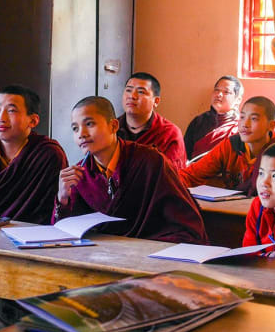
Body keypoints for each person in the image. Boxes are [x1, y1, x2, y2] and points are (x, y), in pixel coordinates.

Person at [55, 96, 207, 244]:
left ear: (113, 126)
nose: (81, 134)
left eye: (89, 124)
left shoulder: (150, 161)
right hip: (101, 253)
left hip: (148, 250)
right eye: (75, 128)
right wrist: (63, 198)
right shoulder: (81, 173)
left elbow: (185, 222)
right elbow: (65, 233)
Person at [0, 85, 67, 224]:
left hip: (33, 237)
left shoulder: (48, 155)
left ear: (33, 120)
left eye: (11, 110)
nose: (1, 118)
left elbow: (52, 209)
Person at [180, 96, 275, 196]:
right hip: (231, 208)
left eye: (254, 119)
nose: (245, 124)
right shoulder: (230, 145)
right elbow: (191, 175)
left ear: (271, 125)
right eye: (242, 117)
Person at [117, 72, 186, 169]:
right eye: (128, 90)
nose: (132, 96)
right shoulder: (111, 128)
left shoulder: (169, 134)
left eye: (141, 92)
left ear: (156, 101)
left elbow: (172, 177)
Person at [184, 75, 243, 160]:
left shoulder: (239, 127)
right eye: (216, 90)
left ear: (238, 100)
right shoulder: (199, 121)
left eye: (226, 92)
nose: (219, 94)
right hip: (193, 170)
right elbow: (185, 153)